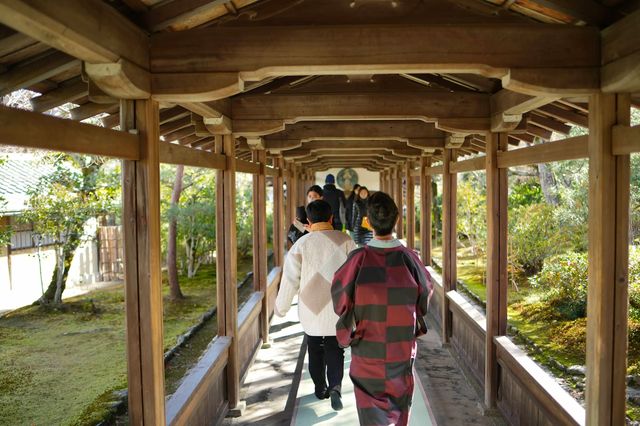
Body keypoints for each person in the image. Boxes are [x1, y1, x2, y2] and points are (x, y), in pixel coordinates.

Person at [331, 191, 433, 426]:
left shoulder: (358, 260)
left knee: (370, 416)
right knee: (400, 409)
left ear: (367, 221)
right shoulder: (410, 259)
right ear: (396, 219)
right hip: (400, 347)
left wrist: (350, 325)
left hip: (368, 348)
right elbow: (426, 291)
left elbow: (339, 296)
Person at [275, 200, 357, 411]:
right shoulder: (346, 240)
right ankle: (336, 387)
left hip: (310, 307)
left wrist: (281, 308)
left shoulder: (301, 244)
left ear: (309, 221)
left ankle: (320, 388)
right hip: (338, 307)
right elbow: (356, 275)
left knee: (314, 348)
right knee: (335, 349)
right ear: (331, 218)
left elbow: (290, 280)